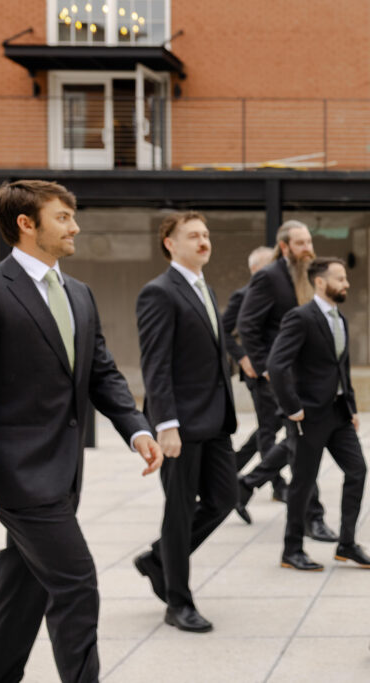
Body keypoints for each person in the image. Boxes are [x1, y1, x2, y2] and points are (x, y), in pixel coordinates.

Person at [0, 180, 163, 682]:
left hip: (65, 473)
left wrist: (136, 429)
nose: (75, 226)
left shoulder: (79, 294)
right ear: (26, 225)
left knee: (23, 586)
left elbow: (101, 373)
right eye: (63, 217)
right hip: (20, 477)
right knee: (77, 585)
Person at [133, 211, 238, 633]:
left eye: (206, 234)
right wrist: (166, 424)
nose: (203, 241)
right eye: (193, 235)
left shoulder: (204, 289)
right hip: (180, 424)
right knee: (178, 512)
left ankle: (159, 558)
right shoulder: (158, 292)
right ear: (169, 243)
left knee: (225, 498)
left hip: (214, 420)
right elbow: (155, 365)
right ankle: (178, 601)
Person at [267, 257, 370, 571]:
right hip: (308, 417)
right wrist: (292, 408)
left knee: (357, 471)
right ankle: (292, 550)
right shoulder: (300, 317)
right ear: (320, 281)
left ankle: (346, 545)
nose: (346, 284)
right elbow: (277, 365)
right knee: (303, 483)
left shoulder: (339, 318)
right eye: (340, 279)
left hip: (338, 414)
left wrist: (353, 408)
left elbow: (341, 367)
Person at [236, 220, 336, 541]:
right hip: (283, 376)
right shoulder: (268, 277)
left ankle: (246, 484)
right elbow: (246, 324)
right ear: (285, 247)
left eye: (309, 241)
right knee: (304, 442)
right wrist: (265, 367)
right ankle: (314, 517)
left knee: (297, 440)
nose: (308, 248)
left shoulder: (308, 275)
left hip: (308, 375)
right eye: (301, 243)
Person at [222, 245, 287, 504]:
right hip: (259, 375)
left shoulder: (280, 294)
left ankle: (233, 469)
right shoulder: (243, 295)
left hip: (279, 373)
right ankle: (277, 484)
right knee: (270, 429)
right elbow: (225, 332)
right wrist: (244, 359)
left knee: (269, 427)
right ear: (257, 269)